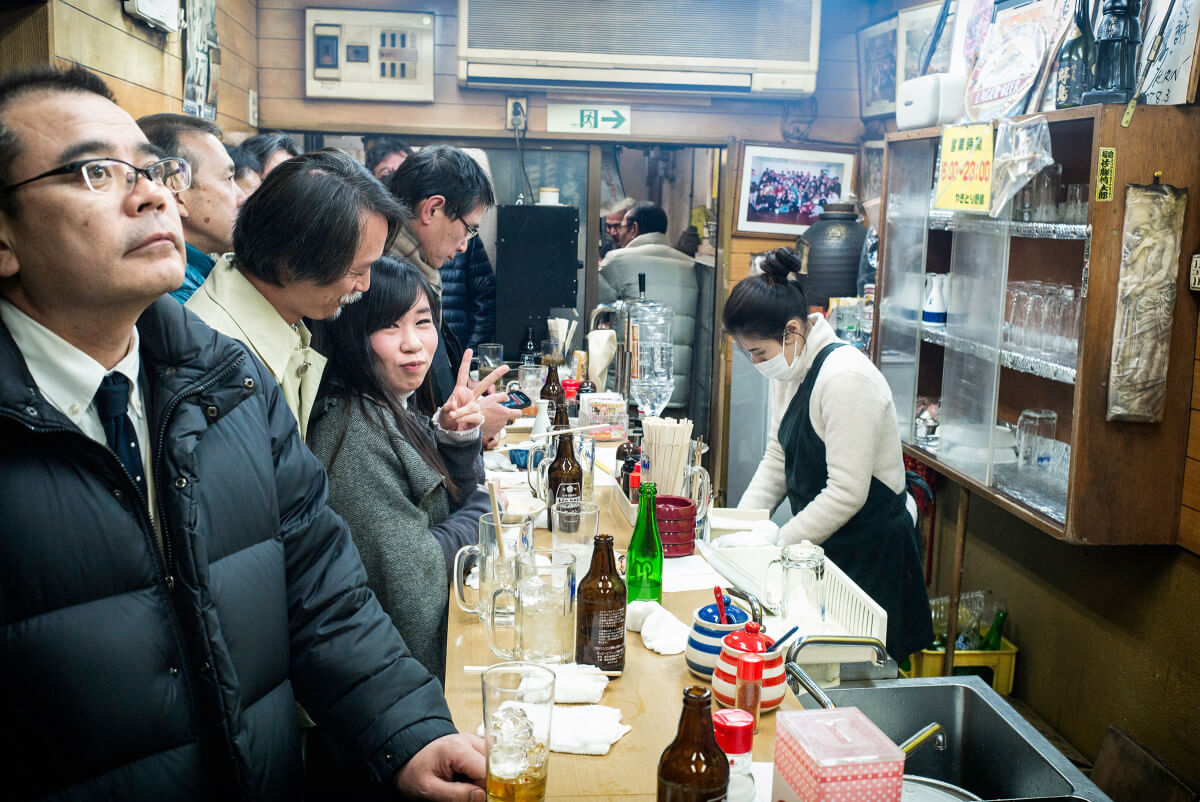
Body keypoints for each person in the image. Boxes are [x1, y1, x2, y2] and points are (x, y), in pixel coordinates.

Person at [0, 64, 484, 801]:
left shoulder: (224, 378)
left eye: (157, 170)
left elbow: (318, 582)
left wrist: (408, 728)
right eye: (96, 172)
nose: (156, 193)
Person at [725, 247, 933, 661]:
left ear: (792, 331)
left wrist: (778, 546)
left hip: (871, 557)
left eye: (758, 353)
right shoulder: (789, 364)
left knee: (862, 680)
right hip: (826, 551)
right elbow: (776, 458)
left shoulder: (845, 379)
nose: (755, 363)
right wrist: (742, 533)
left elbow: (847, 493)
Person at [310, 257, 501, 684]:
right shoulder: (351, 435)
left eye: (422, 321)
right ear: (352, 332)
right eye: (389, 326)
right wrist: (484, 513)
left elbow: (446, 502)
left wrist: (455, 439)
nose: (413, 343)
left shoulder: (393, 407)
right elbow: (409, 573)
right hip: (392, 686)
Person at [187, 148, 400, 439]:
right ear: (291, 259)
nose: (364, 285)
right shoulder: (220, 362)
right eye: (355, 271)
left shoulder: (283, 317)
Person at [387, 145, 514, 437]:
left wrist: (460, 402)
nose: (464, 245)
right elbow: (393, 418)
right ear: (431, 209)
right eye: (469, 229)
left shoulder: (420, 269)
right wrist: (460, 432)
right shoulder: (387, 280)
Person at [598, 200, 699, 412]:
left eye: (621, 227)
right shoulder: (690, 265)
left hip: (630, 389)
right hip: (676, 392)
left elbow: (596, 306)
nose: (617, 234)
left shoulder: (617, 260)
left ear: (634, 228)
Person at [136, 113, 246, 304]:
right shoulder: (180, 296)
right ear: (177, 194)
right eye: (228, 179)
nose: (242, 198)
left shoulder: (199, 274)